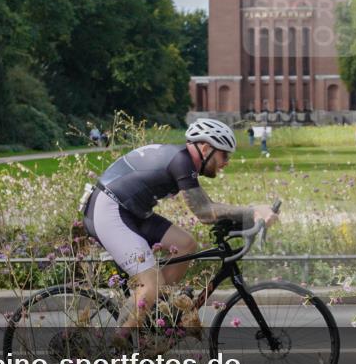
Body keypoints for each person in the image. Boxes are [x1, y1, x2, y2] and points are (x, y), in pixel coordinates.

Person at [81, 118, 277, 334]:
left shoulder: (182, 160)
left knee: (185, 244)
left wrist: (245, 218)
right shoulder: (181, 161)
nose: (227, 161)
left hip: (130, 211)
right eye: (224, 154)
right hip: (109, 209)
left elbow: (209, 208)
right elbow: (204, 211)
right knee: (152, 282)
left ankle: (148, 307)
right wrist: (254, 211)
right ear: (205, 148)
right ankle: (116, 349)